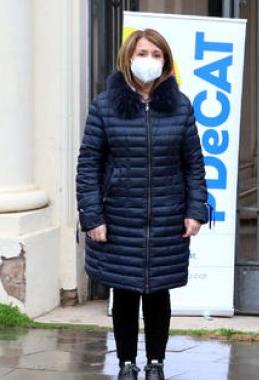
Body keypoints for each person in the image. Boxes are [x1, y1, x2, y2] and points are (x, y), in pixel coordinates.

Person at [77, 29, 209, 380]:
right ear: (128, 58)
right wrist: (93, 216)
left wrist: (196, 211)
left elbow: (193, 163)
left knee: (157, 293)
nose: (148, 60)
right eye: (142, 53)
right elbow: (89, 163)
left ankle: (156, 363)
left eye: (156, 54)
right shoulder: (105, 106)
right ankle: (125, 364)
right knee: (124, 293)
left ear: (165, 61)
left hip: (166, 217)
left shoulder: (180, 106)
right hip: (119, 217)